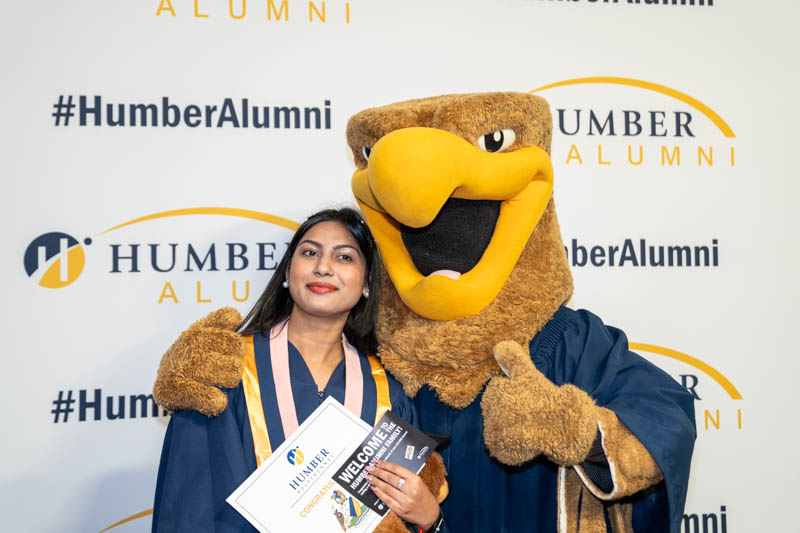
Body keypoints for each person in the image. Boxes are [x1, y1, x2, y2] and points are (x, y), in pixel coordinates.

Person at [152, 207, 443, 533]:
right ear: (288, 272)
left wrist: (430, 520)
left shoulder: (389, 394)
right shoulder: (226, 372)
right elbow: (189, 511)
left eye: (344, 258)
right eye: (310, 253)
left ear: (366, 283)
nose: (323, 267)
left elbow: (397, 522)